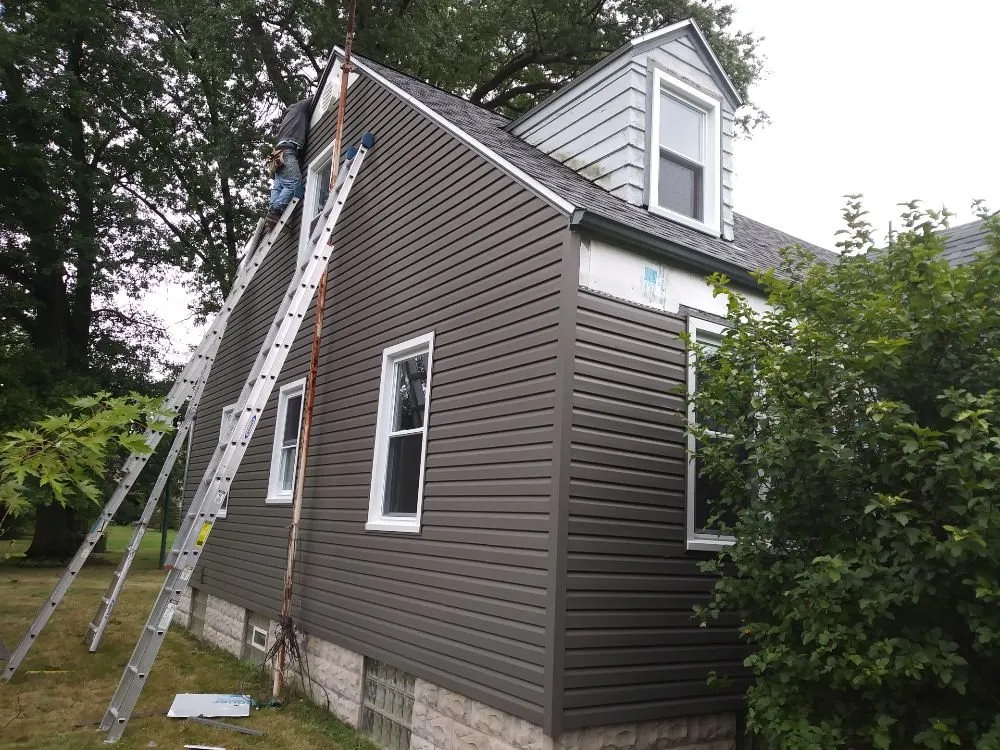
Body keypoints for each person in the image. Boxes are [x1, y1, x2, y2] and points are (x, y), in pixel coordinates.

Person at [264, 96, 314, 232]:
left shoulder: (288, 116)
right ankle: (276, 211)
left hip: (276, 154)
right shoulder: (300, 107)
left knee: (279, 186)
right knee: (293, 182)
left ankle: (272, 214)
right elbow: (316, 97)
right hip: (287, 151)